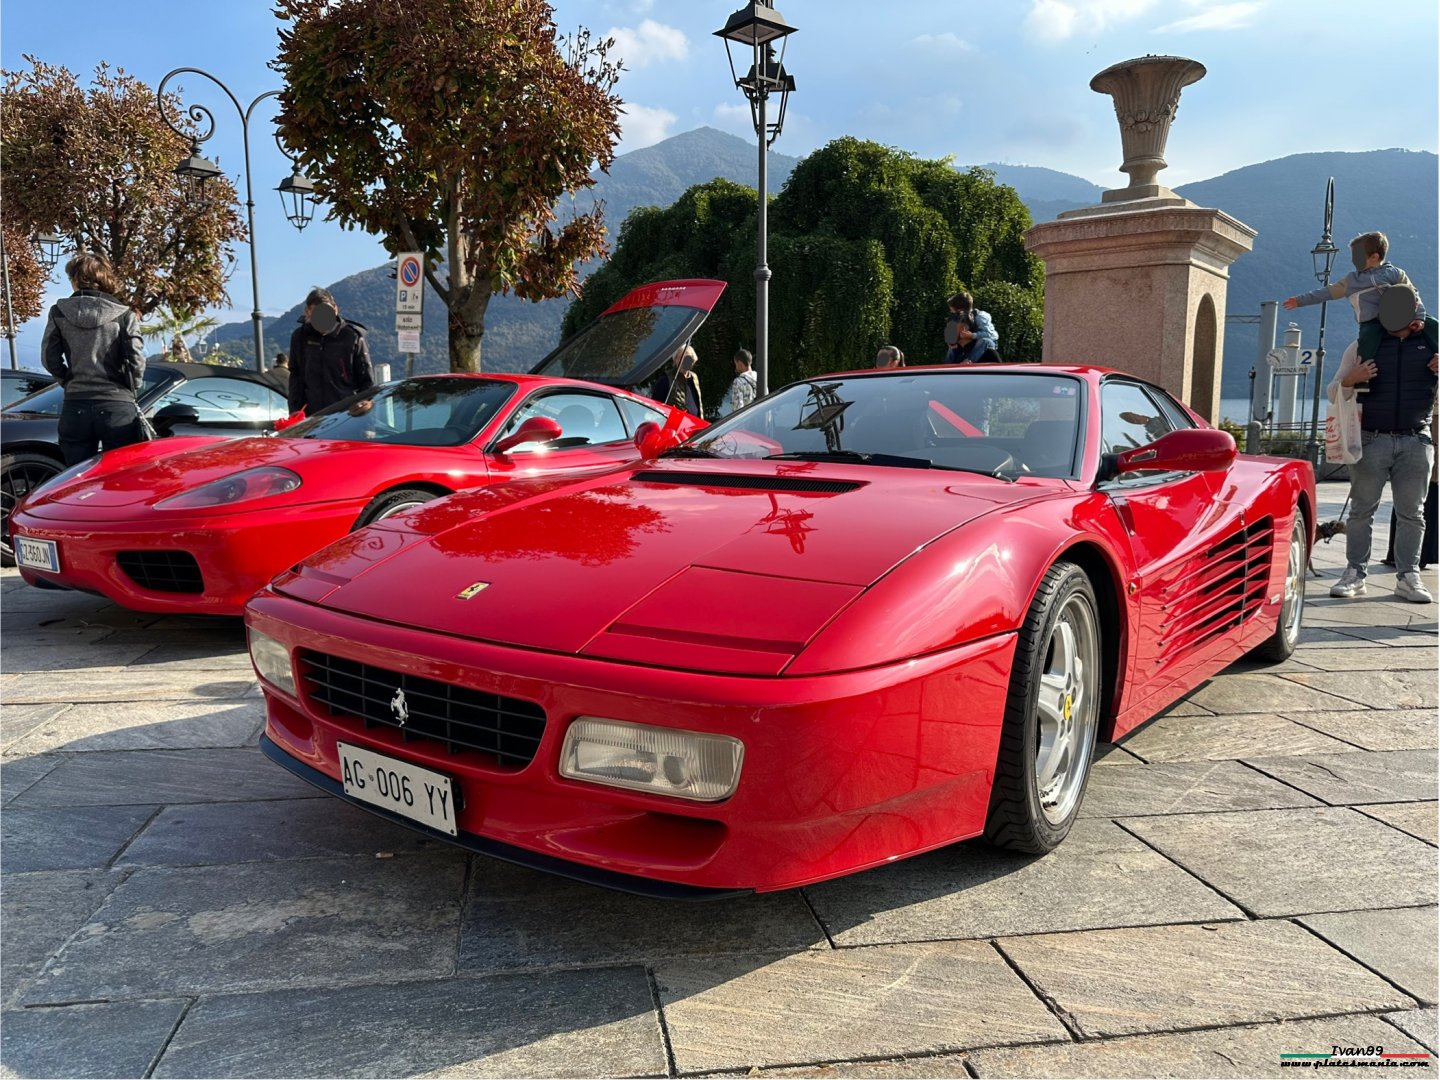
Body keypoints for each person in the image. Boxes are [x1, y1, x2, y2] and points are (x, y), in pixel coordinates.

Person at [1326, 285, 1439, 603]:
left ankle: (1408, 577)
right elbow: (1333, 391)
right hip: (1371, 438)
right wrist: (1351, 379)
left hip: (1417, 438)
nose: (1417, 321)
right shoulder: (1363, 346)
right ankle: (1354, 574)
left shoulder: (1434, 343)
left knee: (1413, 514)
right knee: (1362, 511)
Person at [40, 252, 147, 465]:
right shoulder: (124, 314)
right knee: (119, 474)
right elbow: (137, 359)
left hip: (76, 403)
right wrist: (131, 387)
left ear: (76, 279)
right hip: (117, 405)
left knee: (75, 476)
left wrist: (68, 381)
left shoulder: (58, 312)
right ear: (104, 278)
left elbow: (48, 357)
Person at [1285, 231, 1432, 362]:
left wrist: (1419, 317)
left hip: (1401, 316)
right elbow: (1327, 292)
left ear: (1374, 257)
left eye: (1358, 256)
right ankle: (1362, 374)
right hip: (1372, 322)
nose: (1354, 260)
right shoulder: (1352, 280)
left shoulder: (1395, 273)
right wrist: (1300, 300)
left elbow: (1413, 294)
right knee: (1367, 341)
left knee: (1434, 325)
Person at [287, 287, 374, 415]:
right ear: (307, 312)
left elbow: (367, 382)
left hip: (346, 416)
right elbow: (296, 377)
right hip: (312, 418)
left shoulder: (352, 336)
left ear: (335, 310)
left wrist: (365, 416)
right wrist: (295, 411)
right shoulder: (300, 337)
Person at [944, 291, 998, 363]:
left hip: (987, 344)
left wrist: (972, 335)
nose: (952, 312)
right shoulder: (959, 318)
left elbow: (991, 335)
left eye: (952, 310)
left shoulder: (980, 316)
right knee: (952, 348)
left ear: (959, 309)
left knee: (984, 341)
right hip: (972, 345)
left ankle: (969, 361)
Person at [650, 343, 703, 417]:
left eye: (687, 358)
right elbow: (655, 407)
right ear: (675, 360)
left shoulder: (694, 378)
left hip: (695, 425)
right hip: (674, 425)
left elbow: (698, 405)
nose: (684, 361)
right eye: (681, 357)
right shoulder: (666, 379)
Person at [717, 348, 757, 416]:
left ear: (740, 363)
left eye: (736, 364)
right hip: (761, 420)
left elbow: (737, 408)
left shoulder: (738, 382)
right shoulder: (760, 378)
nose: (736, 367)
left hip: (748, 422)